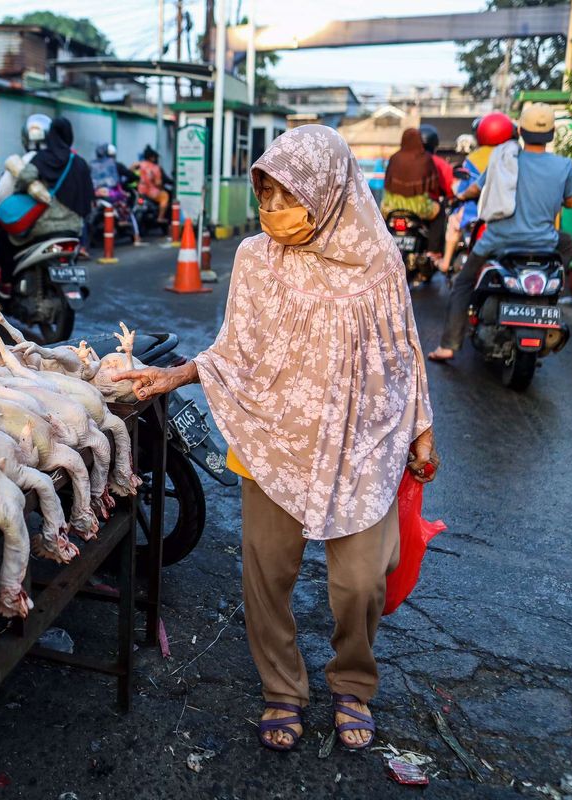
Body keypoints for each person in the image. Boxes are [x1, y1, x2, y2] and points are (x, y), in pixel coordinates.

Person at [111, 125, 439, 753]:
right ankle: (283, 690)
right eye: (264, 197)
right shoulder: (257, 259)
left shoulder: (378, 261)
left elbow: (403, 353)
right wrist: (177, 373)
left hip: (362, 441)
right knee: (267, 573)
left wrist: (422, 428)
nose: (272, 213)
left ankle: (352, 683)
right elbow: (236, 347)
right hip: (274, 436)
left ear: (327, 190)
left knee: (361, 582)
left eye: (285, 197)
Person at [428, 103, 572, 362]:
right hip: (544, 243)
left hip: (498, 241)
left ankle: (449, 345)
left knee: (463, 281)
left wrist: (461, 195)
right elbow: (571, 202)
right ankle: (552, 289)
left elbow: (475, 189)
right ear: (552, 133)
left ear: (520, 130)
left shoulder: (503, 159)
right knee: (567, 243)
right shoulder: (564, 166)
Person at [441, 113, 515, 273]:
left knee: (453, 222)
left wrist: (461, 195)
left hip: (475, 212)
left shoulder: (474, 158)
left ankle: (446, 261)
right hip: (508, 213)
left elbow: (468, 188)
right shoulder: (512, 155)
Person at [7, 117, 92, 250]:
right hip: (74, 229)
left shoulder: (41, 158)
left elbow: (24, 179)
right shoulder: (80, 163)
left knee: (11, 243)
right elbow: (88, 197)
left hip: (42, 227)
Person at [381, 128, 440, 222]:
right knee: (438, 208)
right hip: (419, 210)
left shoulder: (394, 158)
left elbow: (387, 184)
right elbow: (434, 186)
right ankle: (435, 237)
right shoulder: (426, 159)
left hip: (392, 209)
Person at [91, 142, 140, 245]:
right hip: (112, 195)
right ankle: (136, 236)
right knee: (129, 212)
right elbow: (130, 175)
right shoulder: (115, 165)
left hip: (96, 194)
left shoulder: (93, 164)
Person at [420, 124, 453, 266]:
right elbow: (450, 187)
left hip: (392, 206)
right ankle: (433, 252)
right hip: (424, 206)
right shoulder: (439, 163)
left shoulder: (400, 158)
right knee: (440, 212)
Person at [135, 145, 171, 225]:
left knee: (138, 202)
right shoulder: (155, 168)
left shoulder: (139, 164)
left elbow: (130, 170)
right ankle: (160, 217)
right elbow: (158, 183)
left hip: (140, 191)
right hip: (151, 193)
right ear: (152, 158)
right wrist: (160, 186)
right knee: (165, 196)